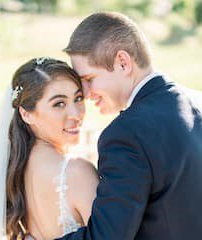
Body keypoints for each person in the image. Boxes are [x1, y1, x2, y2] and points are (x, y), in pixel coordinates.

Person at [53, 12, 202, 240]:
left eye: (89, 78)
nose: (85, 93)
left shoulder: (126, 134)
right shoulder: (195, 101)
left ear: (123, 63)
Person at [0, 57, 99, 240]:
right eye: (59, 103)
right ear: (26, 114)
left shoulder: (15, 173)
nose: (76, 113)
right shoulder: (78, 172)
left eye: (78, 98)